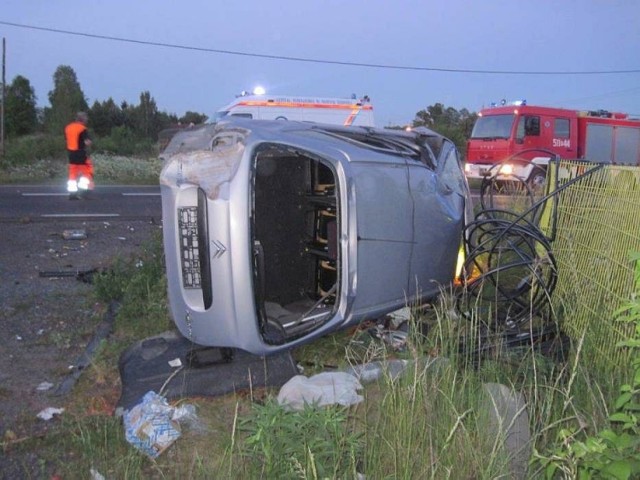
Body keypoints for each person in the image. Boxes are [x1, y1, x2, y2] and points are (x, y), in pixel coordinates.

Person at [64, 112, 94, 200]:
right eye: (86, 118)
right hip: (80, 153)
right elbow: (87, 142)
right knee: (86, 173)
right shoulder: (82, 128)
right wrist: (90, 142)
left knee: (72, 174)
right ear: (83, 119)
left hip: (71, 154)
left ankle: (72, 194)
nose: (87, 120)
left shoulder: (68, 127)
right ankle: (83, 192)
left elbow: (68, 140)